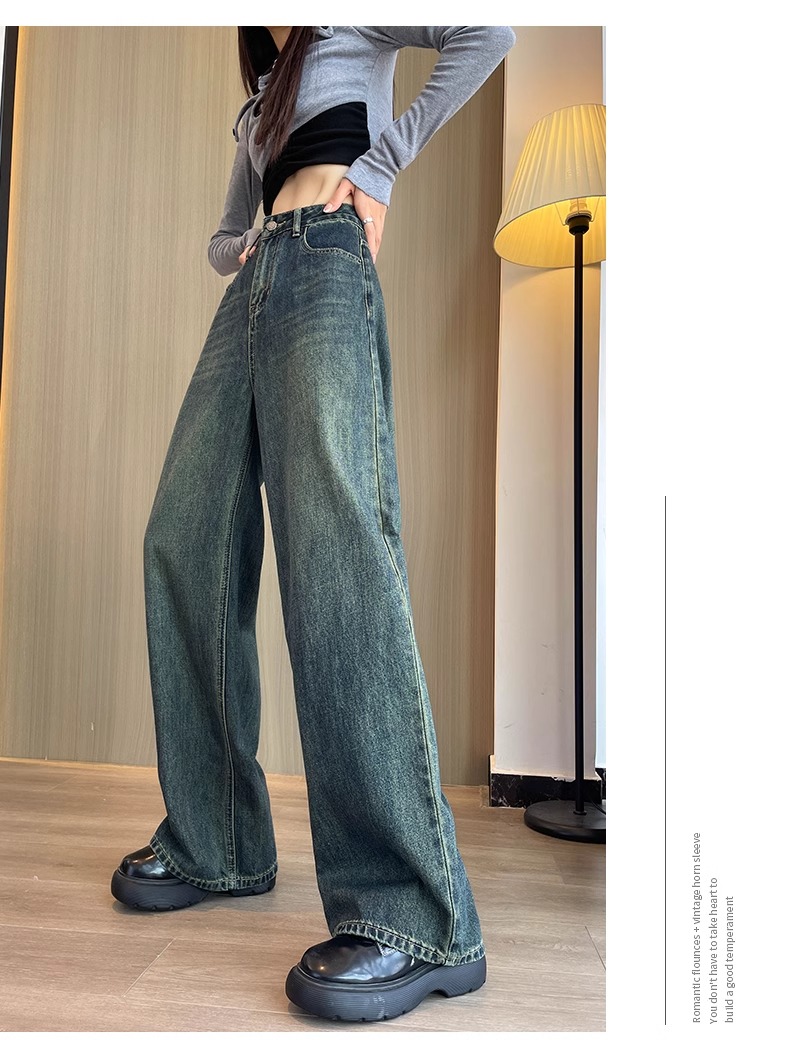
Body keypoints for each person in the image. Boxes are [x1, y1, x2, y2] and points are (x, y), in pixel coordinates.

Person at [110, 24, 517, 1023]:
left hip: (331, 263)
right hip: (258, 286)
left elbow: (487, 31)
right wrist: (246, 243)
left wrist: (378, 168)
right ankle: (218, 841)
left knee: (334, 550)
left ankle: (412, 914)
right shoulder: (258, 102)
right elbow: (222, 236)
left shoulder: (350, 21)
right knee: (184, 536)